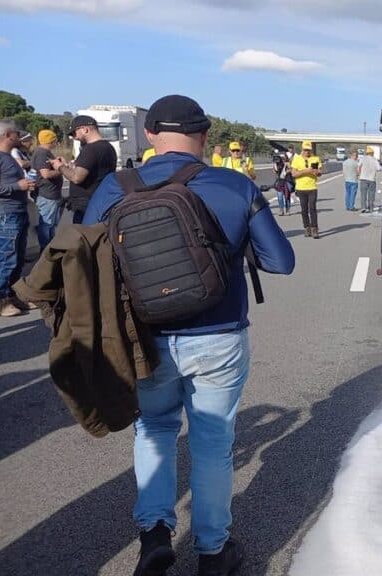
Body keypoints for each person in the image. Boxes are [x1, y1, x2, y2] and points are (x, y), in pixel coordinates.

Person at [84, 95, 295, 576]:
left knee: (154, 430)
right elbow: (281, 261)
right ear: (205, 136)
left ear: (151, 135)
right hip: (218, 335)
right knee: (212, 442)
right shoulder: (234, 184)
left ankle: (155, 535)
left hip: (144, 337)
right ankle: (213, 553)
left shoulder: (114, 189)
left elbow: (86, 264)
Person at [0, 120, 37, 317]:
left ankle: (12, 295)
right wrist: (18, 187)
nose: (19, 136)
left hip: (18, 212)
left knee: (17, 257)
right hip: (7, 214)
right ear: (7, 136)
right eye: (15, 133)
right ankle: (1, 301)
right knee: (7, 257)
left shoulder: (8, 157)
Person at [50, 115, 117, 224]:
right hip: (102, 203)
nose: (74, 138)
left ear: (84, 129)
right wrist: (68, 166)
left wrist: (59, 167)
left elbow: (77, 177)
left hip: (86, 207)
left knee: (83, 238)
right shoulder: (108, 147)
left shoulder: (90, 149)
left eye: (74, 134)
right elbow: (93, 170)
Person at [31, 129, 64, 251]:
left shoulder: (45, 153)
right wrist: (61, 168)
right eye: (55, 140)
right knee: (46, 223)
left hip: (51, 194)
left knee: (50, 224)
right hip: (47, 195)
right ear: (51, 140)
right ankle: (45, 250)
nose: (56, 143)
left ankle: (50, 247)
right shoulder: (42, 153)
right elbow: (46, 174)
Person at [290, 141, 322, 238]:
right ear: (302, 149)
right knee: (304, 210)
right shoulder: (297, 159)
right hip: (301, 188)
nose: (307, 152)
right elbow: (294, 174)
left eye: (309, 150)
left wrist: (316, 172)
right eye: (305, 150)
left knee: (312, 208)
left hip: (312, 187)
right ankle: (307, 228)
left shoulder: (315, 159)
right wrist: (305, 171)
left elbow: (320, 172)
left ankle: (314, 229)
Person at [358, 146, 380, 213]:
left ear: (366, 153)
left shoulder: (362, 159)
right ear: (372, 153)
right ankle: (370, 208)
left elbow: (359, 166)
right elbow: (379, 168)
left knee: (363, 194)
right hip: (372, 179)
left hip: (363, 179)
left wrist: (359, 174)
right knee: (371, 194)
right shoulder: (375, 160)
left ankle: (363, 207)